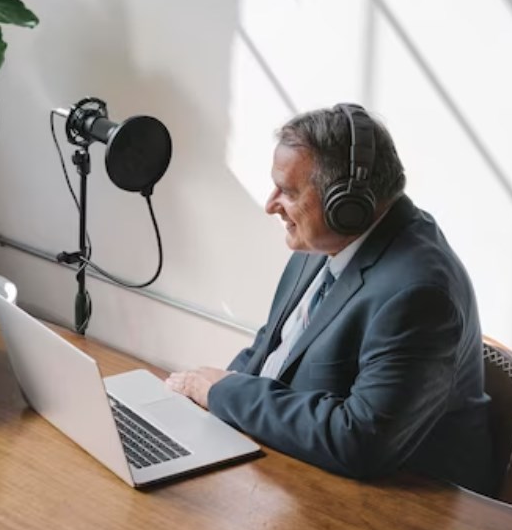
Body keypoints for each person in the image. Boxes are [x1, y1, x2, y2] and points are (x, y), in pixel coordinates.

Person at [167, 103, 493, 496]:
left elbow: (360, 440)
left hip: (394, 513)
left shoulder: (419, 294)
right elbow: (270, 348)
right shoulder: (324, 240)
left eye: (287, 191)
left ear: (347, 206)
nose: (270, 205)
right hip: (295, 471)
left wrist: (224, 393)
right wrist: (198, 400)